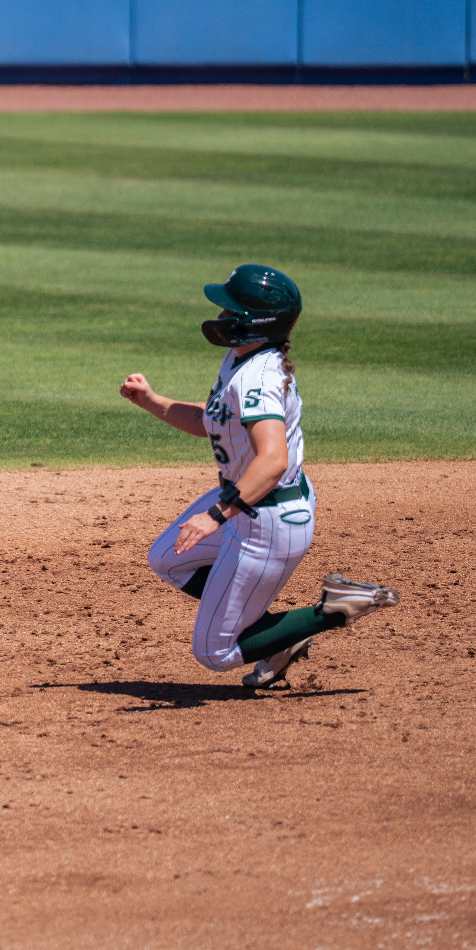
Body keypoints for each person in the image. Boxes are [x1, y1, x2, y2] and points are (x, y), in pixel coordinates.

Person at [119, 264, 400, 690]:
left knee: (214, 653)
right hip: (248, 505)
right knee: (167, 558)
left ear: (255, 322)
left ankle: (334, 609)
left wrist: (215, 515)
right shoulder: (241, 358)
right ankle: (275, 637)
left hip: (266, 523)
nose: (224, 316)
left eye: (232, 310)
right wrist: (153, 401)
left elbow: (271, 461)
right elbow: (214, 419)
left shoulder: (258, 379)